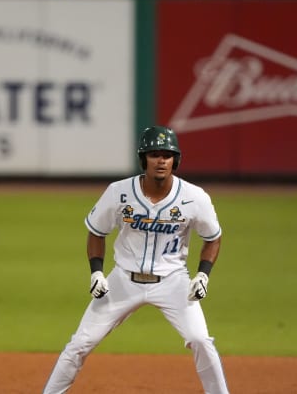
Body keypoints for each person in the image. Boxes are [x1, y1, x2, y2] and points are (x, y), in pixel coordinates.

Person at [42, 126, 230, 394]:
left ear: (175, 160)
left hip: (173, 282)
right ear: (144, 159)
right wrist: (96, 273)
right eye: (154, 154)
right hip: (122, 281)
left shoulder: (194, 197)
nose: (161, 160)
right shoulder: (118, 191)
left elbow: (213, 237)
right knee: (80, 343)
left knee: (200, 339)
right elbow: (97, 231)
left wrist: (203, 275)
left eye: (167, 155)